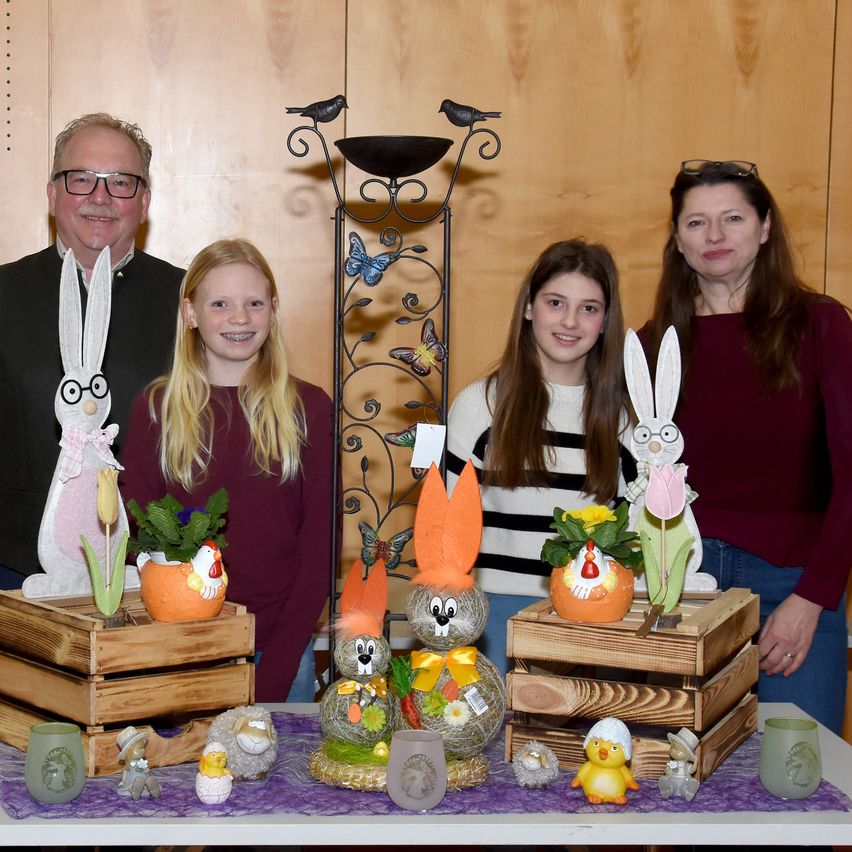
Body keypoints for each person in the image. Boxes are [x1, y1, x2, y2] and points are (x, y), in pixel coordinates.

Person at [643, 159, 852, 733]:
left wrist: (813, 598)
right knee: (674, 779)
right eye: (696, 222)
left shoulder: (822, 326)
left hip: (792, 586)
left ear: (764, 228)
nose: (714, 236)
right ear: (678, 241)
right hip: (679, 585)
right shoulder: (653, 345)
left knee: (801, 782)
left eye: (732, 218)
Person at [121, 239, 334, 702]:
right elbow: (138, 538)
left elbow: (319, 551)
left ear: (273, 311)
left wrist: (277, 665)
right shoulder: (156, 410)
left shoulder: (309, 410)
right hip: (179, 651)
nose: (240, 318)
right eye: (220, 304)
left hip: (279, 651)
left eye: (254, 303)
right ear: (191, 313)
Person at [0, 113, 183, 587]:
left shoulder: (189, 301)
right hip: (15, 568)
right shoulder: (3, 293)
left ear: (143, 202)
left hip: (149, 571)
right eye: (81, 179)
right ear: (53, 193)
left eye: (121, 182)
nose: (100, 198)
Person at [446, 239, 636, 675]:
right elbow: (447, 531)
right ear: (529, 308)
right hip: (492, 620)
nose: (570, 321)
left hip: (593, 622)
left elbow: (634, 542)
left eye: (589, 308)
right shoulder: (481, 406)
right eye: (556, 302)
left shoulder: (624, 420)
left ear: (606, 321)